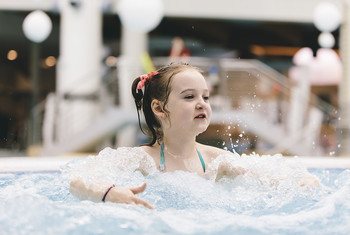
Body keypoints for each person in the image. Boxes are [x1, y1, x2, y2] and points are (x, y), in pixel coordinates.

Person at [69, 63, 319, 209]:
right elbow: (79, 179)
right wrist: (110, 192)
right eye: (189, 97)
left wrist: (299, 181)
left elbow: (267, 173)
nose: (202, 104)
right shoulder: (143, 160)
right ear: (159, 108)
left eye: (205, 97)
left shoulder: (215, 161)